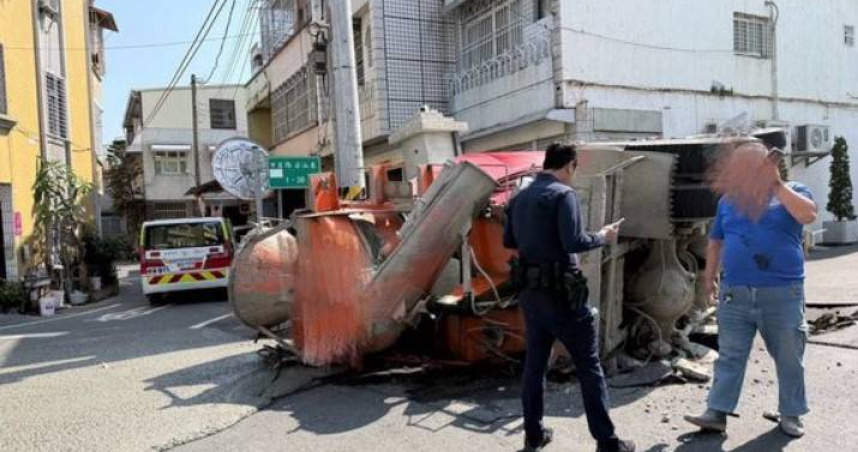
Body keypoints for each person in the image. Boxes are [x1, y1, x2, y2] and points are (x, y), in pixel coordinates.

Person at [503, 143, 634, 452]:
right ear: (570, 166)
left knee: (535, 364)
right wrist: (603, 236)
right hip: (562, 294)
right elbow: (573, 241)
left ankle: (533, 435)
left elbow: (508, 239)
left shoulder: (519, 197)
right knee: (588, 365)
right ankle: (607, 442)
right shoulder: (564, 195)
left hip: (531, 293)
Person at [685, 141, 818, 438]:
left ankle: (792, 414)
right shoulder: (728, 201)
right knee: (730, 354)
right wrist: (709, 277)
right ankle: (716, 412)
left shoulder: (793, 191)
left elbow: (808, 215)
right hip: (736, 292)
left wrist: (777, 184)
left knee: (788, 357)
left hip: (782, 292)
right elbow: (716, 240)